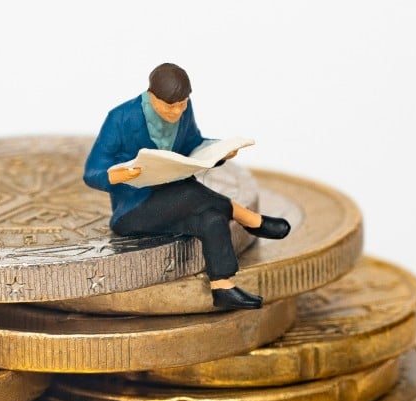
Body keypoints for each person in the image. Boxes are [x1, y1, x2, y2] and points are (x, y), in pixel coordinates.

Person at [83, 63, 291, 310]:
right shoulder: (121, 117)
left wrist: (219, 151)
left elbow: (193, 143)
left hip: (178, 200)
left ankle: (222, 287)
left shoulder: (184, 109)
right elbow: (92, 170)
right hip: (134, 210)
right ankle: (251, 220)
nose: (177, 111)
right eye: (170, 106)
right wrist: (117, 175)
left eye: (183, 104)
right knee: (189, 192)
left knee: (212, 218)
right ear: (151, 96)